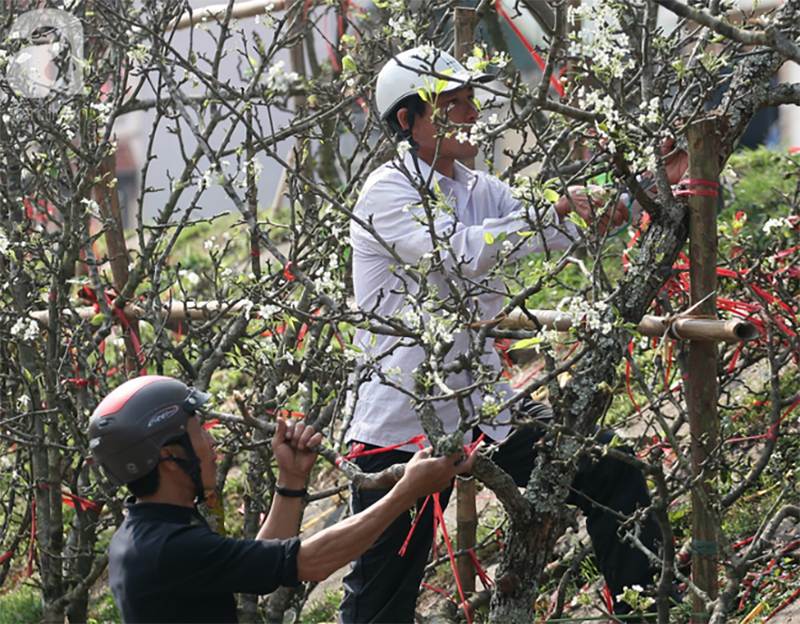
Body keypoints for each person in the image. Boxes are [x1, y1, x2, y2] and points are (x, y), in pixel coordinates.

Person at [340, 46, 687, 622]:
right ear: (409, 121)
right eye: (454, 103)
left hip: (485, 414)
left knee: (613, 471)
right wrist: (554, 212)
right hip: (405, 427)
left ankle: (646, 613)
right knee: (381, 594)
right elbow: (463, 252)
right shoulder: (388, 192)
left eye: (471, 98)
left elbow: (560, 222)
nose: (475, 113)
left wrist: (645, 185)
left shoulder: (478, 188)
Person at [87, 374, 477, 623]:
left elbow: (262, 567)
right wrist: (406, 491)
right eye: (200, 433)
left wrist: (291, 479)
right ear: (170, 458)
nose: (212, 443)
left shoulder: (147, 532)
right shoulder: (168, 549)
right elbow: (312, 561)